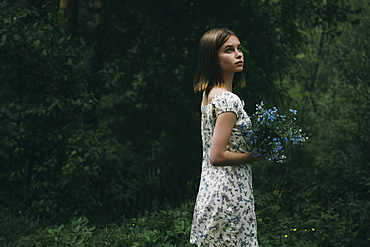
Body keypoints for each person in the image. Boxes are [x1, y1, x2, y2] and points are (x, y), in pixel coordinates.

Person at [190, 28, 265, 246]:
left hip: (211, 190)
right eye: (229, 50)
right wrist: (255, 156)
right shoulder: (228, 100)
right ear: (213, 58)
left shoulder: (209, 93)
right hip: (229, 195)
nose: (238, 54)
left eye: (239, 48)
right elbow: (217, 156)